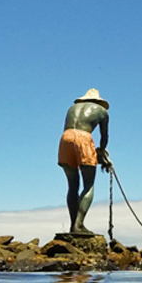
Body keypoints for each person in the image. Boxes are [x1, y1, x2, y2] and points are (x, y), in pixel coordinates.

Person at [57, 89, 111, 234]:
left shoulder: (72, 109)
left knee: (72, 186)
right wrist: (102, 151)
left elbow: (67, 128)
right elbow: (104, 136)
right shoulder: (102, 111)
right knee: (89, 185)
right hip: (84, 138)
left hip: (65, 139)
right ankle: (79, 225)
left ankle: (73, 225)